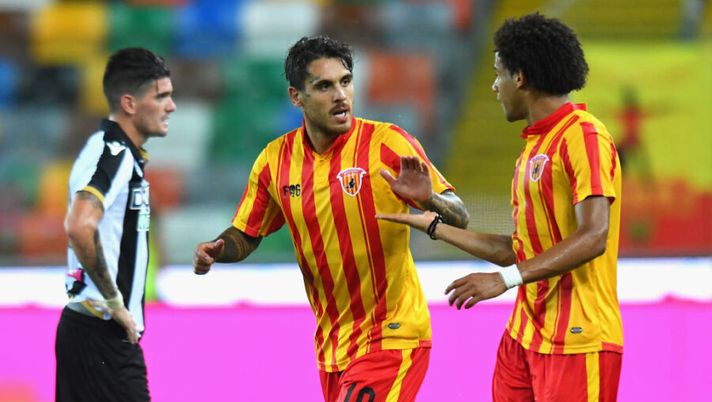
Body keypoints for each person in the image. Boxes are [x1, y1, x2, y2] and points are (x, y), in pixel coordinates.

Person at [192, 36, 469, 402]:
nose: (340, 95)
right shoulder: (274, 162)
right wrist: (219, 249)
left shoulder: (388, 144)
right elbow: (247, 234)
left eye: (345, 81)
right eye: (324, 86)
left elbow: (460, 215)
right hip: (332, 346)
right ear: (296, 97)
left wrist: (429, 198)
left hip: (393, 333)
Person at [377, 13, 623, 402]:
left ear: (520, 78)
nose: (494, 85)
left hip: (578, 337)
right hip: (524, 335)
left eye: (498, 74)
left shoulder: (583, 135)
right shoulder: (531, 151)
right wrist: (433, 222)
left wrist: (505, 280)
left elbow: (594, 236)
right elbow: (519, 249)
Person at [56, 48, 176, 402]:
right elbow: (80, 226)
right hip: (102, 334)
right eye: (162, 97)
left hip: (87, 331)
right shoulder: (115, 154)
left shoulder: (112, 153)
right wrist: (114, 300)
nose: (171, 106)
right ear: (130, 103)